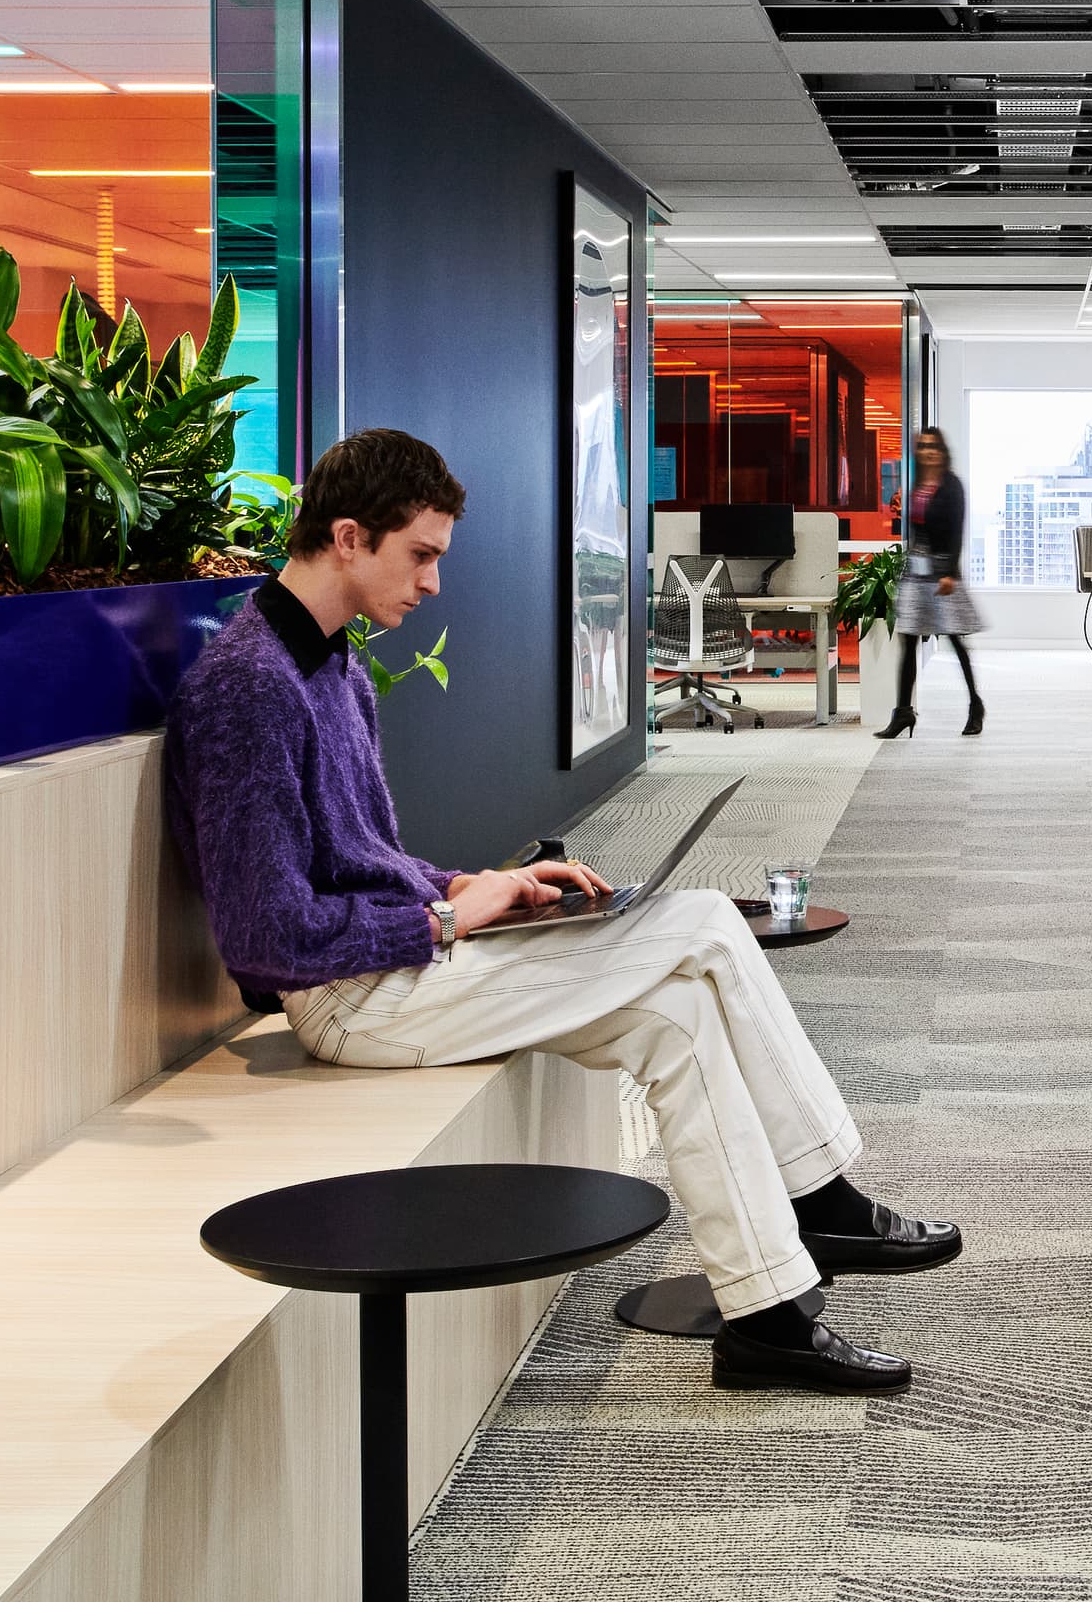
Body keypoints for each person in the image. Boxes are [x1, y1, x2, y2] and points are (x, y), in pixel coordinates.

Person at [166, 427, 958, 1395]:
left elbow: (359, 858)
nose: (433, 584)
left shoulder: (330, 664)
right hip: (351, 1001)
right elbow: (265, 941)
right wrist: (448, 922)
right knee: (706, 922)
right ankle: (824, 1194)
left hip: (405, 959)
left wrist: (464, 886)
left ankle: (768, 1315)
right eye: (421, 555)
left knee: (681, 1019)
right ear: (346, 537)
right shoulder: (249, 685)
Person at [878, 424, 984, 740]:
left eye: (933, 446)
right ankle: (903, 712)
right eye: (923, 446)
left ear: (942, 451)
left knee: (955, 641)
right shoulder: (917, 486)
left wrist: (950, 571)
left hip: (942, 572)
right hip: (916, 571)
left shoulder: (952, 486)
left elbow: (956, 532)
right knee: (908, 641)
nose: (928, 451)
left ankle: (975, 705)